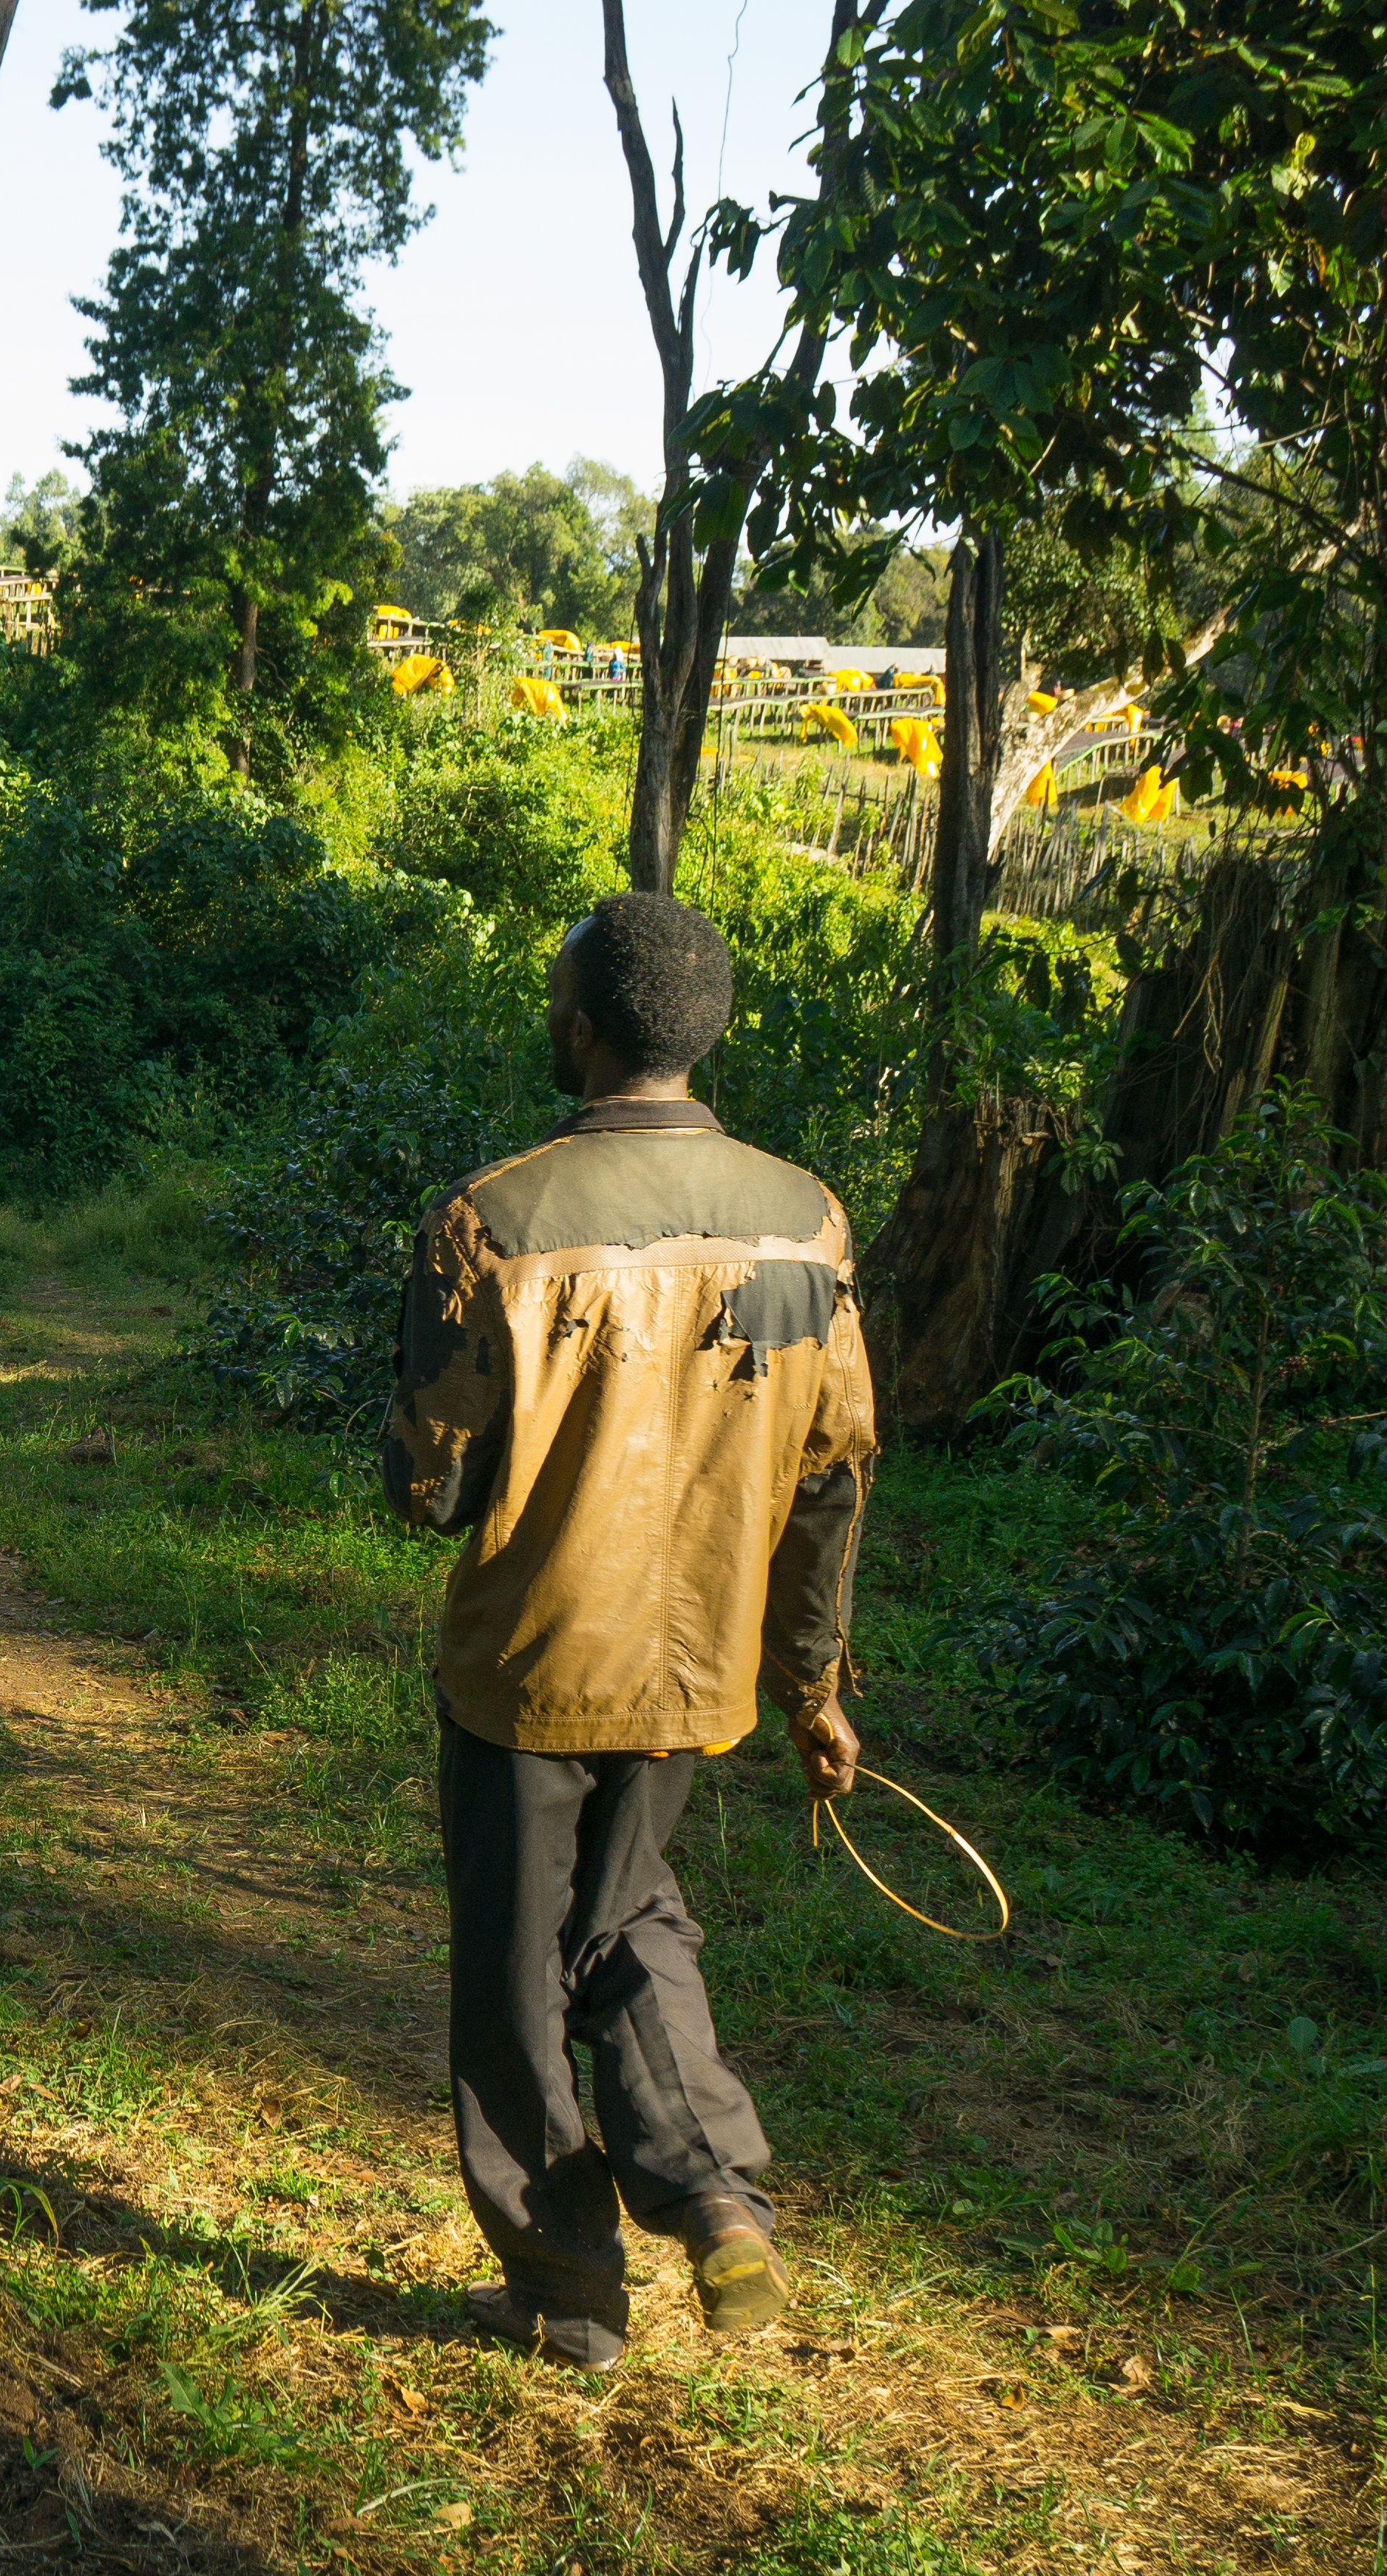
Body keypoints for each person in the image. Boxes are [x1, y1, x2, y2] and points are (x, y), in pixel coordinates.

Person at [381, 891, 874, 2366]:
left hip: (531, 1662)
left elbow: (429, 1482)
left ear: (582, 1030)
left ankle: (567, 2285)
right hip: (699, 1658)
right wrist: (814, 1678)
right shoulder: (806, 1218)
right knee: (631, 1914)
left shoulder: (492, 1220)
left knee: (516, 1968)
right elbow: (835, 1470)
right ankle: (716, 2192)